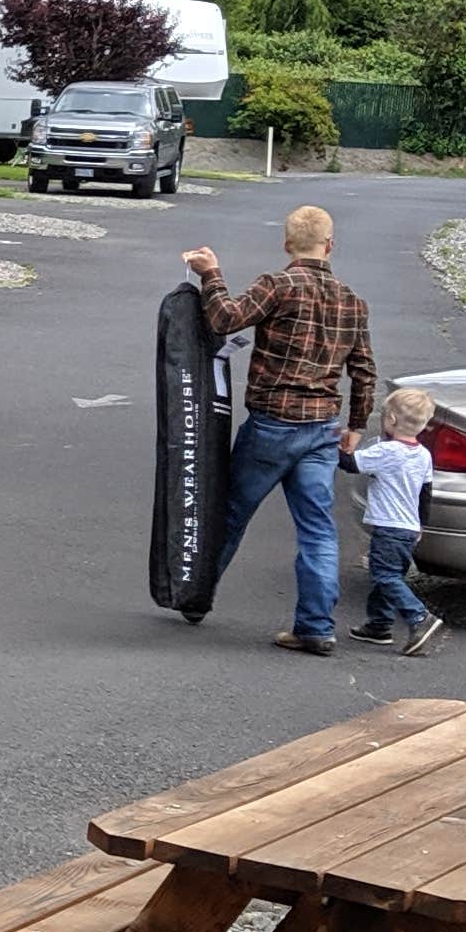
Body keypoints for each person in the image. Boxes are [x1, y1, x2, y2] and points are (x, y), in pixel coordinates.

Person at [182, 206, 378, 655]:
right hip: (323, 429)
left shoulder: (277, 285)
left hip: (273, 424)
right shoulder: (353, 300)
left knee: (231, 513)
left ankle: (195, 597)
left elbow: (225, 320)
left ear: (287, 244)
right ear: (330, 245)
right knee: (317, 529)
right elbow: (364, 369)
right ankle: (315, 626)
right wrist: (356, 425)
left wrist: (211, 274)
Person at [346, 386, 447, 657]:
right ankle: (379, 625)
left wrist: (331, 443)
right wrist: (421, 525)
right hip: (409, 527)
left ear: (390, 420)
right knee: (390, 575)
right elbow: (426, 494)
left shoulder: (387, 451)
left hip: (389, 528)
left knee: (384, 575)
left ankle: (418, 617)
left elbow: (351, 463)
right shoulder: (424, 454)